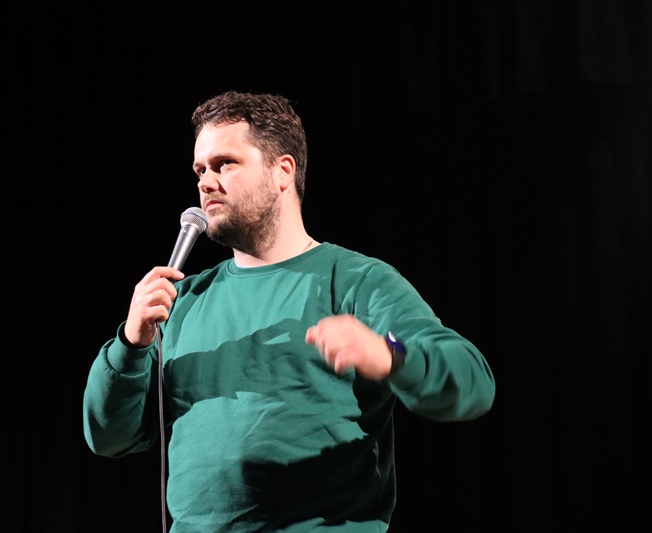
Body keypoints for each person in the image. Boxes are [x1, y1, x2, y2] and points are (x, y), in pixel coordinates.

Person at [83, 90, 496, 532]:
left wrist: (390, 354)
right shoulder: (181, 302)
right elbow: (110, 437)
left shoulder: (355, 280)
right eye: (200, 169)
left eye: (225, 164)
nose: (205, 182)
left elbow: (472, 380)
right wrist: (131, 343)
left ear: (282, 172)